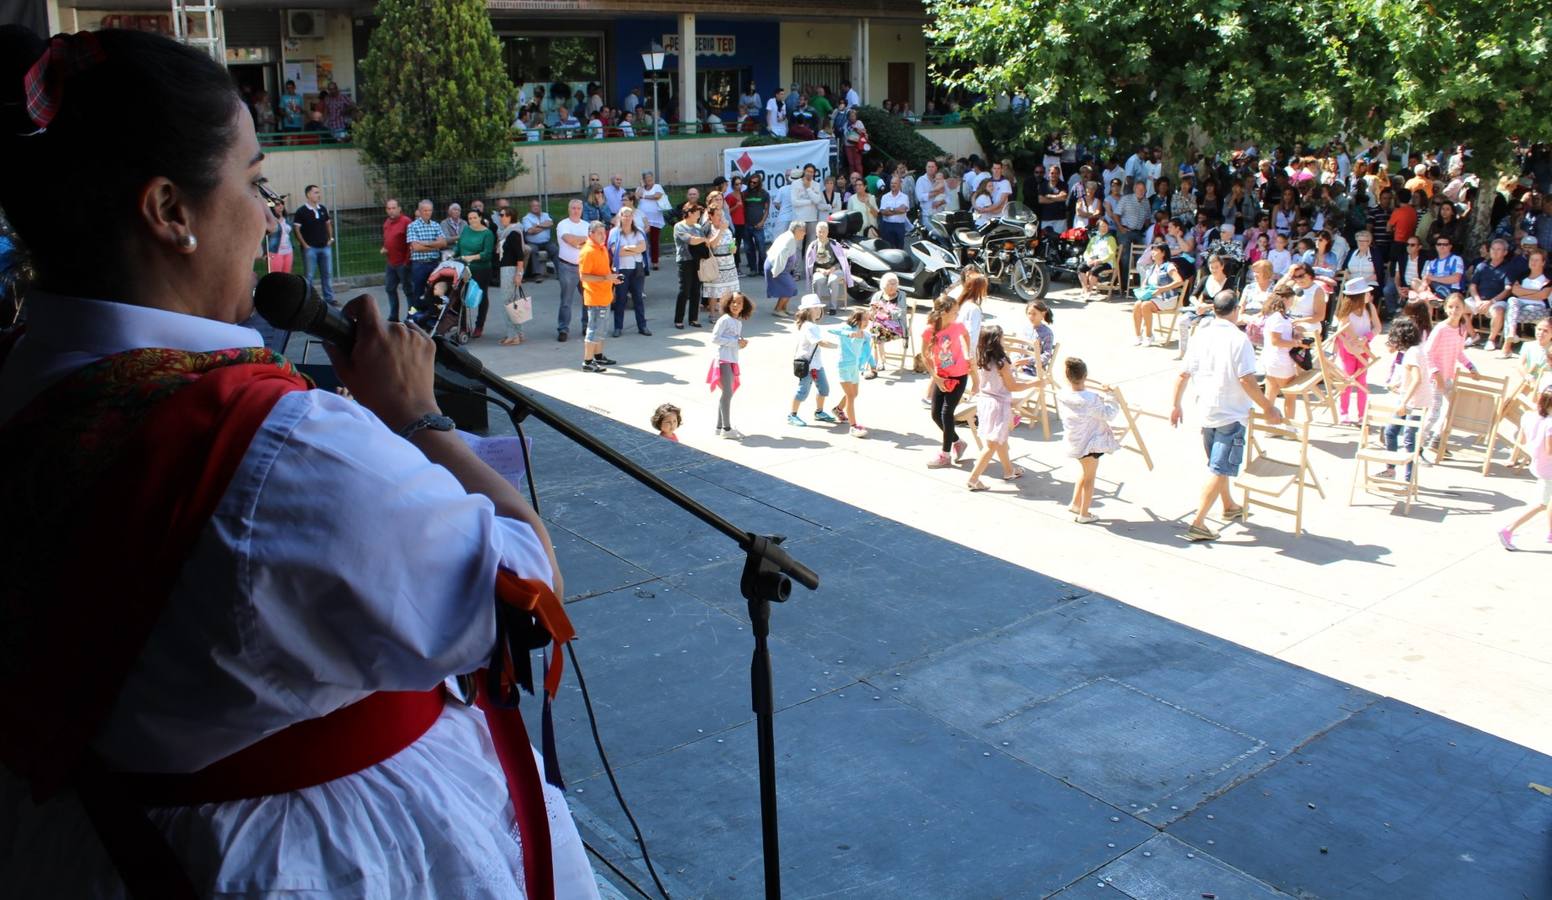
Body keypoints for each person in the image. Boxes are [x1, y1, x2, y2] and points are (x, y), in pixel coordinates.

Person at [0, 25, 593, 898]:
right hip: (295, 858)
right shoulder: (275, 449)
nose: (270, 214)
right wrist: (418, 417)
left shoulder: (25, 373)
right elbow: (523, 592)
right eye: (254, 182)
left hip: (100, 836)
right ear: (169, 212)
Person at [1170, 290, 1284, 542]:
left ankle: (1229, 505)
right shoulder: (1239, 340)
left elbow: (1183, 374)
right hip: (1230, 413)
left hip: (1206, 409)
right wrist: (1268, 407)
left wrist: (1176, 405)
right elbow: (1247, 379)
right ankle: (1198, 522)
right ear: (1235, 311)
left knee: (1217, 465)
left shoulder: (1201, 334)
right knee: (1219, 469)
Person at [966, 326, 1037, 490]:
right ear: (998, 341)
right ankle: (973, 479)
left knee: (1001, 439)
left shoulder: (982, 359)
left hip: (985, 402)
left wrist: (1012, 368)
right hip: (998, 405)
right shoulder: (1001, 363)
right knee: (992, 444)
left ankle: (1009, 470)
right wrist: (1036, 383)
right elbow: (1013, 386)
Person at [1057, 357, 1121, 523]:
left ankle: (1076, 504)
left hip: (1075, 441)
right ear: (1085, 375)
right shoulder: (1091, 399)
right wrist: (1111, 396)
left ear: (1067, 376)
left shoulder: (1063, 394)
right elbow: (1109, 414)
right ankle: (1084, 514)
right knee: (1090, 477)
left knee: (1085, 472)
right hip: (1090, 443)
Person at [923, 293, 980, 469]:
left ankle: (945, 455)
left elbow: (966, 336)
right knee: (935, 415)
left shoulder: (958, 326)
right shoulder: (929, 330)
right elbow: (925, 355)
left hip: (959, 374)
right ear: (944, 312)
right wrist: (935, 377)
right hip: (941, 375)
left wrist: (968, 353)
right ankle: (958, 442)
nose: (957, 315)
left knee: (947, 414)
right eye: (955, 311)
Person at [1421, 292, 1479, 454]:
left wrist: (1470, 367)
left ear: (1463, 309)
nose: (1454, 310)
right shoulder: (1441, 328)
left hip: (1447, 377)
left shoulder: (1461, 329)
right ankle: (1417, 443)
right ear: (1446, 309)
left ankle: (1437, 439)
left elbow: (1459, 352)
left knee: (1452, 407)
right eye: (1451, 307)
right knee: (1434, 413)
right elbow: (1427, 353)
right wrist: (1436, 373)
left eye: (1457, 307)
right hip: (1435, 377)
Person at [1498, 387, 1552, 549]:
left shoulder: (1528, 416)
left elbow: (1521, 440)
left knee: (1547, 501)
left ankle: (1551, 532)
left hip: (1538, 464)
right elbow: (1550, 450)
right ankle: (1508, 529)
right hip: (1549, 467)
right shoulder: (1550, 423)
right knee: (1542, 503)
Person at [1379, 317, 1432, 482]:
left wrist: (1403, 402)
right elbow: (1410, 377)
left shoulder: (1413, 353)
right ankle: (1390, 469)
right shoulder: (1412, 351)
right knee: (1390, 431)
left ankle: (1408, 480)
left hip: (1415, 403)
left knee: (1409, 439)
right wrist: (1398, 384)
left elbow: (1417, 379)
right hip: (1410, 400)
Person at [788, 295, 839, 427]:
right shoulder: (809, 326)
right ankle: (792, 415)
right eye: (815, 308)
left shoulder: (811, 325)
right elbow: (820, 342)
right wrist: (838, 345)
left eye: (819, 308)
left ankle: (819, 412)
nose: (818, 311)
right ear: (807, 311)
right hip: (807, 365)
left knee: (824, 389)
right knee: (802, 391)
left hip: (816, 364)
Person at [577, 220, 621, 372]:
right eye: (600, 233)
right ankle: (587, 362)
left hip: (604, 295)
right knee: (594, 329)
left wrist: (612, 278)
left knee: (601, 329)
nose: (604, 236)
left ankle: (598, 356)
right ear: (591, 234)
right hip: (595, 297)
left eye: (604, 233)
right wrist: (605, 279)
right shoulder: (588, 251)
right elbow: (584, 276)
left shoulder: (600, 248)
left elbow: (604, 271)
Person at [711, 292, 754, 438]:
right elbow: (715, 338)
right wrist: (735, 343)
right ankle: (727, 429)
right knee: (727, 393)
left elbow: (732, 340)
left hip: (732, 359)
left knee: (727, 393)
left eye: (739, 303)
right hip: (723, 360)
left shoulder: (738, 322)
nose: (736, 305)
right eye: (733, 302)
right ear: (728, 304)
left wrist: (740, 343)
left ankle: (719, 427)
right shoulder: (724, 319)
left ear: (743, 307)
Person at [1259, 286, 1303, 420]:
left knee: (1270, 392)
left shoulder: (1279, 317)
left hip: (1274, 360)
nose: (1292, 302)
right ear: (1284, 299)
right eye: (1291, 299)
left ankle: (1269, 424)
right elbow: (1276, 340)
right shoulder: (1277, 318)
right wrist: (1296, 343)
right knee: (1290, 395)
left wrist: (1295, 334)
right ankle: (1289, 426)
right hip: (1280, 361)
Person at [607, 205, 650, 337]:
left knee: (638, 298)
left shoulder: (639, 231)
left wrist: (627, 248)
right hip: (622, 270)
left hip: (637, 269)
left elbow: (643, 247)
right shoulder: (614, 232)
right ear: (620, 217)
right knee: (620, 299)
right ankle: (618, 327)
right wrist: (634, 249)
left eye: (629, 215)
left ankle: (642, 326)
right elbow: (616, 252)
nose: (627, 218)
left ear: (633, 217)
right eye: (624, 215)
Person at [1131, 243, 1185, 346]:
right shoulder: (1152, 268)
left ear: (1163, 253)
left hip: (1168, 299)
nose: (1152, 252)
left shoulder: (1168, 266)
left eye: (1156, 250)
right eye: (1152, 250)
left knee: (1145, 305)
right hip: (1154, 298)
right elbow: (1145, 283)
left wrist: (1162, 289)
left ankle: (1149, 336)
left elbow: (1179, 281)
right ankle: (1138, 336)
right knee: (1137, 305)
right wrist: (1144, 289)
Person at [454, 208, 497, 338]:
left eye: (474, 218)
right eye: (470, 218)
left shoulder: (487, 233)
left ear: (480, 218)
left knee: (481, 296)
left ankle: (479, 326)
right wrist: (453, 254)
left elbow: (487, 254)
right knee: (460, 296)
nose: (472, 220)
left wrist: (472, 257)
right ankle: (463, 326)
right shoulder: (466, 230)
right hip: (463, 268)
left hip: (481, 268)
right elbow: (460, 245)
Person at [1502, 247, 1551, 358]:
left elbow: (1543, 295)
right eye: (1531, 260)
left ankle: (1507, 345)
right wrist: (1535, 292)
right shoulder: (1523, 275)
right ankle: (1512, 333)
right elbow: (1514, 291)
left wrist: (1523, 292)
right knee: (1511, 300)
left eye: (1537, 260)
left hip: (1538, 309)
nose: (1533, 262)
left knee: (1509, 314)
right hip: (1519, 307)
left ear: (1543, 262)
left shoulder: (1547, 278)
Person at [293, 184, 335, 305]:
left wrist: (330, 239)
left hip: (325, 247)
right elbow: (297, 229)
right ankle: (308, 301)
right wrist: (304, 244)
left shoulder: (322, 208)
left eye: (318, 192)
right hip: (310, 249)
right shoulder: (301, 211)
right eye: (316, 192)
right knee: (309, 276)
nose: (318, 195)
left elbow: (328, 224)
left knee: (327, 273)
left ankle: (329, 299)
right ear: (308, 195)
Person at [555, 198, 589, 341]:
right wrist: (583, 239)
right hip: (567, 267)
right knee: (566, 301)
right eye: (573, 208)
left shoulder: (587, 225)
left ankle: (586, 326)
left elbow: (593, 241)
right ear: (569, 209)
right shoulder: (563, 224)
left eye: (578, 208)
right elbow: (570, 240)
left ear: (582, 210)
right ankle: (563, 329)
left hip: (585, 267)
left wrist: (579, 240)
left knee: (588, 299)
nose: (576, 211)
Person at [406, 199, 447, 312]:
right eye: (424, 210)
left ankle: (430, 318)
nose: (427, 213)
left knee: (435, 292)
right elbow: (416, 248)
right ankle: (413, 318)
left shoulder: (436, 225)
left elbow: (443, 243)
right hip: (419, 265)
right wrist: (435, 244)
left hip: (434, 264)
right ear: (419, 211)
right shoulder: (412, 226)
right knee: (417, 293)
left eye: (430, 210)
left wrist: (426, 243)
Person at [673, 201, 708, 328]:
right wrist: (703, 239)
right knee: (684, 290)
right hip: (685, 260)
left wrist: (703, 240)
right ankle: (679, 319)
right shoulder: (679, 226)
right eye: (697, 214)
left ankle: (693, 318)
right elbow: (691, 241)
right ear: (689, 213)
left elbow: (704, 243)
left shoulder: (698, 227)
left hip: (698, 261)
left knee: (696, 290)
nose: (698, 216)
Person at [495, 207, 527, 346]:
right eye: (500, 215)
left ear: (510, 217)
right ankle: (518, 334)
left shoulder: (513, 233)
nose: (501, 217)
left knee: (507, 303)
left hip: (510, 270)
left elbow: (520, 255)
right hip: (507, 269)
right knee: (515, 303)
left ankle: (512, 335)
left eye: (503, 215)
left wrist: (519, 274)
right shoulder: (505, 233)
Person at [805, 220, 852, 314]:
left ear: (828, 232)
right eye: (819, 231)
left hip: (835, 269)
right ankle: (817, 306)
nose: (821, 234)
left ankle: (833, 307)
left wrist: (832, 269)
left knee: (833, 280)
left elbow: (841, 261)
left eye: (824, 231)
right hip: (819, 270)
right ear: (816, 232)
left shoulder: (834, 244)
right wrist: (820, 270)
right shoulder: (813, 245)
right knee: (817, 280)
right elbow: (810, 265)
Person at [701, 201, 738, 319]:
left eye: (721, 215)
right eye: (717, 215)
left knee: (730, 291)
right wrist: (721, 231)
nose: (720, 217)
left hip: (729, 264)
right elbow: (711, 245)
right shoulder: (708, 228)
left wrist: (734, 248)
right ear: (711, 216)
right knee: (714, 291)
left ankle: (728, 313)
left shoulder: (728, 229)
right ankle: (712, 314)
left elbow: (732, 243)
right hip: (715, 265)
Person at [764, 221, 806, 318]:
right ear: (797, 230)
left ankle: (783, 308)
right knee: (789, 288)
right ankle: (778, 309)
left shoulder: (790, 236)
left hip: (780, 267)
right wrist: (776, 271)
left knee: (788, 288)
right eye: (803, 231)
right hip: (777, 266)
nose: (805, 233)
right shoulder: (789, 239)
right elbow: (780, 255)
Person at [381, 198, 412, 323]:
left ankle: (412, 316)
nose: (391, 211)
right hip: (391, 263)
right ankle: (394, 316)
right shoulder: (387, 222)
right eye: (389, 208)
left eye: (394, 208)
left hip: (403, 263)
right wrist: (385, 248)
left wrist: (406, 262)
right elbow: (388, 239)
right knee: (389, 288)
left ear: (399, 209)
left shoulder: (406, 222)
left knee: (409, 291)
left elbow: (411, 243)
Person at [636, 171, 667, 269]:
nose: (649, 179)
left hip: (655, 219)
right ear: (643, 179)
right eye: (647, 177)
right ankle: (641, 262)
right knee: (641, 241)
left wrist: (644, 196)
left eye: (650, 177)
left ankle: (655, 262)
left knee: (654, 241)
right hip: (642, 219)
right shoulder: (640, 188)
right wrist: (641, 186)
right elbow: (637, 197)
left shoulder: (657, 186)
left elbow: (657, 196)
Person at [521, 198, 554, 282]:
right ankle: (537, 275)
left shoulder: (545, 215)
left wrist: (537, 225)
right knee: (533, 250)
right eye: (534, 206)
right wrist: (544, 226)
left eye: (538, 206)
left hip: (547, 242)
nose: (536, 207)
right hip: (533, 243)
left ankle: (560, 272)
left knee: (555, 249)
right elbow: (530, 231)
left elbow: (550, 223)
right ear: (530, 207)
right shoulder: (526, 218)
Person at [879, 176, 911, 250]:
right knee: (887, 248)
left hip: (899, 226)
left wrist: (890, 209)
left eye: (895, 183)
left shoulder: (904, 197)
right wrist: (897, 210)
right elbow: (883, 212)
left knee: (899, 249)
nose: (893, 185)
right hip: (887, 225)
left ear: (900, 184)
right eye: (891, 183)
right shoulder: (885, 197)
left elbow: (903, 210)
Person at [264, 196, 294, 276]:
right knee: (276, 277)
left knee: (287, 276)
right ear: (272, 207)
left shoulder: (287, 219)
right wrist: (265, 252)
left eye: (282, 203)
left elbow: (289, 235)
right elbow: (265, 237)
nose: (281, 206)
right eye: (277, 204)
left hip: (288, 251)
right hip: (275, 252)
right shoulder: (270, 220)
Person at [844, 108, 869, 175]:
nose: (852, 117)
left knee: (857, 163)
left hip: (857, 146)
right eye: (851, 116)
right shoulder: (846, 124)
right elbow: (844, 133)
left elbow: (864, 132)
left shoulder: (859, 122)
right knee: (851, 163)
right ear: (848, 117)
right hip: (848, 146)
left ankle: (860, 178)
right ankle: (852, 178)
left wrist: (856, 129)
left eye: (853, 116)